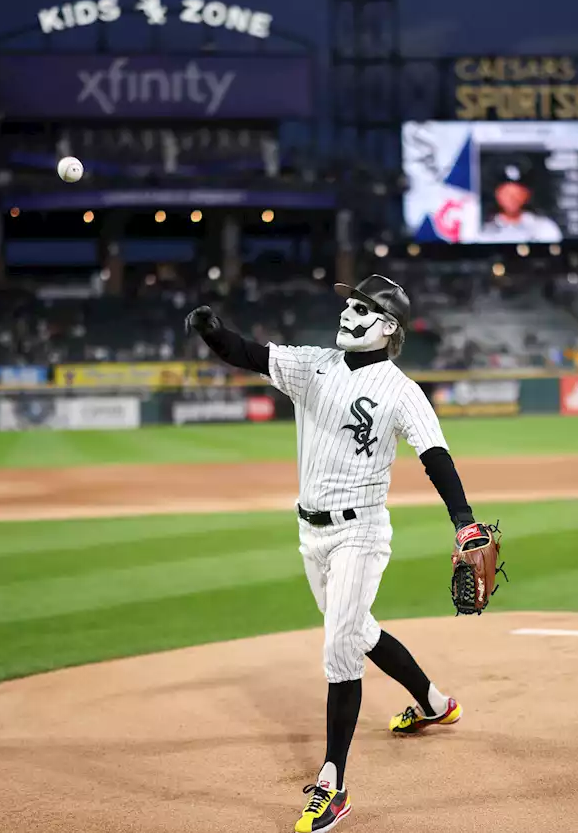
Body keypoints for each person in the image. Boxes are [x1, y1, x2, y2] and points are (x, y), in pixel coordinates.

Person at [184, 275, 482, 833]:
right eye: (348, 303)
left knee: (339, 647)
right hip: (311, 535)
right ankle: (435, 703)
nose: (348, 311)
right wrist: (212, 332)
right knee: (359, 630)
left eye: (363, 307)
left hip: (360, 533)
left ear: (389, 326)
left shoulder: (402, 390)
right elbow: (248, 353)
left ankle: (333, 784)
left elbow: (434, 454)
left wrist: (462, 521)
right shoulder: (313, 365)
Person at [477, 161, 563, 243]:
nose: (512, 199)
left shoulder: (543, 227)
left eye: (517, 194)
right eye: (507, 193)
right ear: (497, 195)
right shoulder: (484, 228)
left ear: (527, 195)